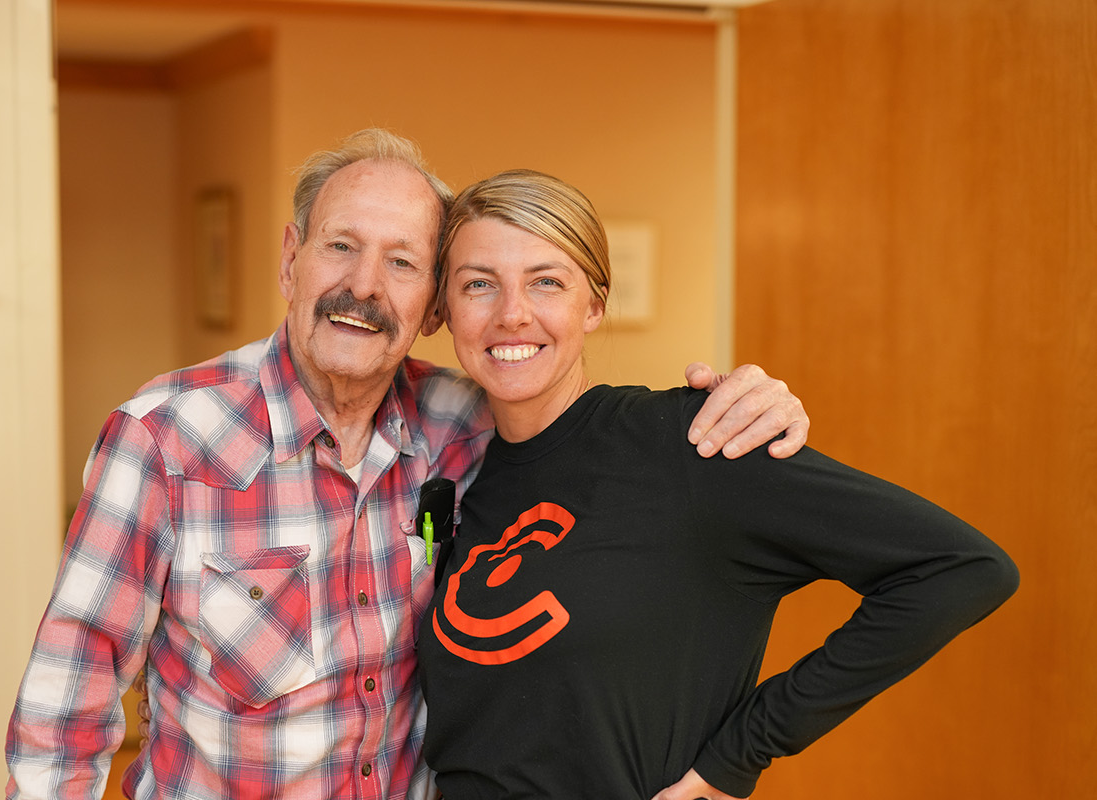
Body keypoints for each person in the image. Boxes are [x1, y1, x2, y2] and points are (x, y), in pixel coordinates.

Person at [4, 130, 811, 800]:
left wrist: (754, 404)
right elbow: (65, 709)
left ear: (432, 305)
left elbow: (591, 444)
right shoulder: (166, 441)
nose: (362, 285)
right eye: (341, 246)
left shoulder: (465, 425)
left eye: (401, 262)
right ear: (292, 259)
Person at [416, 169, 1019, 800]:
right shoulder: (458, 471)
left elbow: (960, 568)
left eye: (546, 282)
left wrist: (734, 760)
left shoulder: (691, 442)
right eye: (479, 285)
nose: (512, 314)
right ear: (445, 310)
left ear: (592, 305)